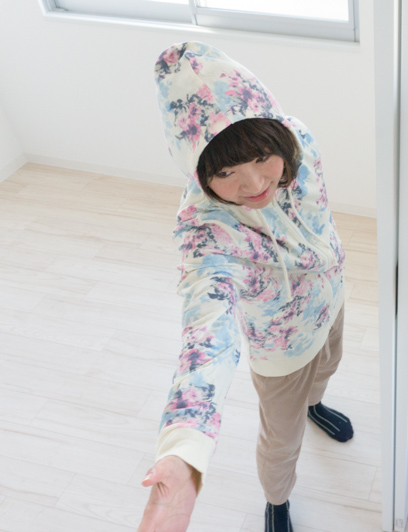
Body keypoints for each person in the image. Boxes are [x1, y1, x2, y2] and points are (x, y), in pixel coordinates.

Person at [137, 41, 353, 532]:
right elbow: (206, 337)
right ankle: (277, 501)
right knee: (281, 441)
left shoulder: (299, 139)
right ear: (200, 172)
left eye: (260, 157)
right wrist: (184, 449)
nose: (254, 183)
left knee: (330, 365)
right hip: (281, 348)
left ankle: (317, 403)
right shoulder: (204, 231)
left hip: (332, 297)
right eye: (225, 172)